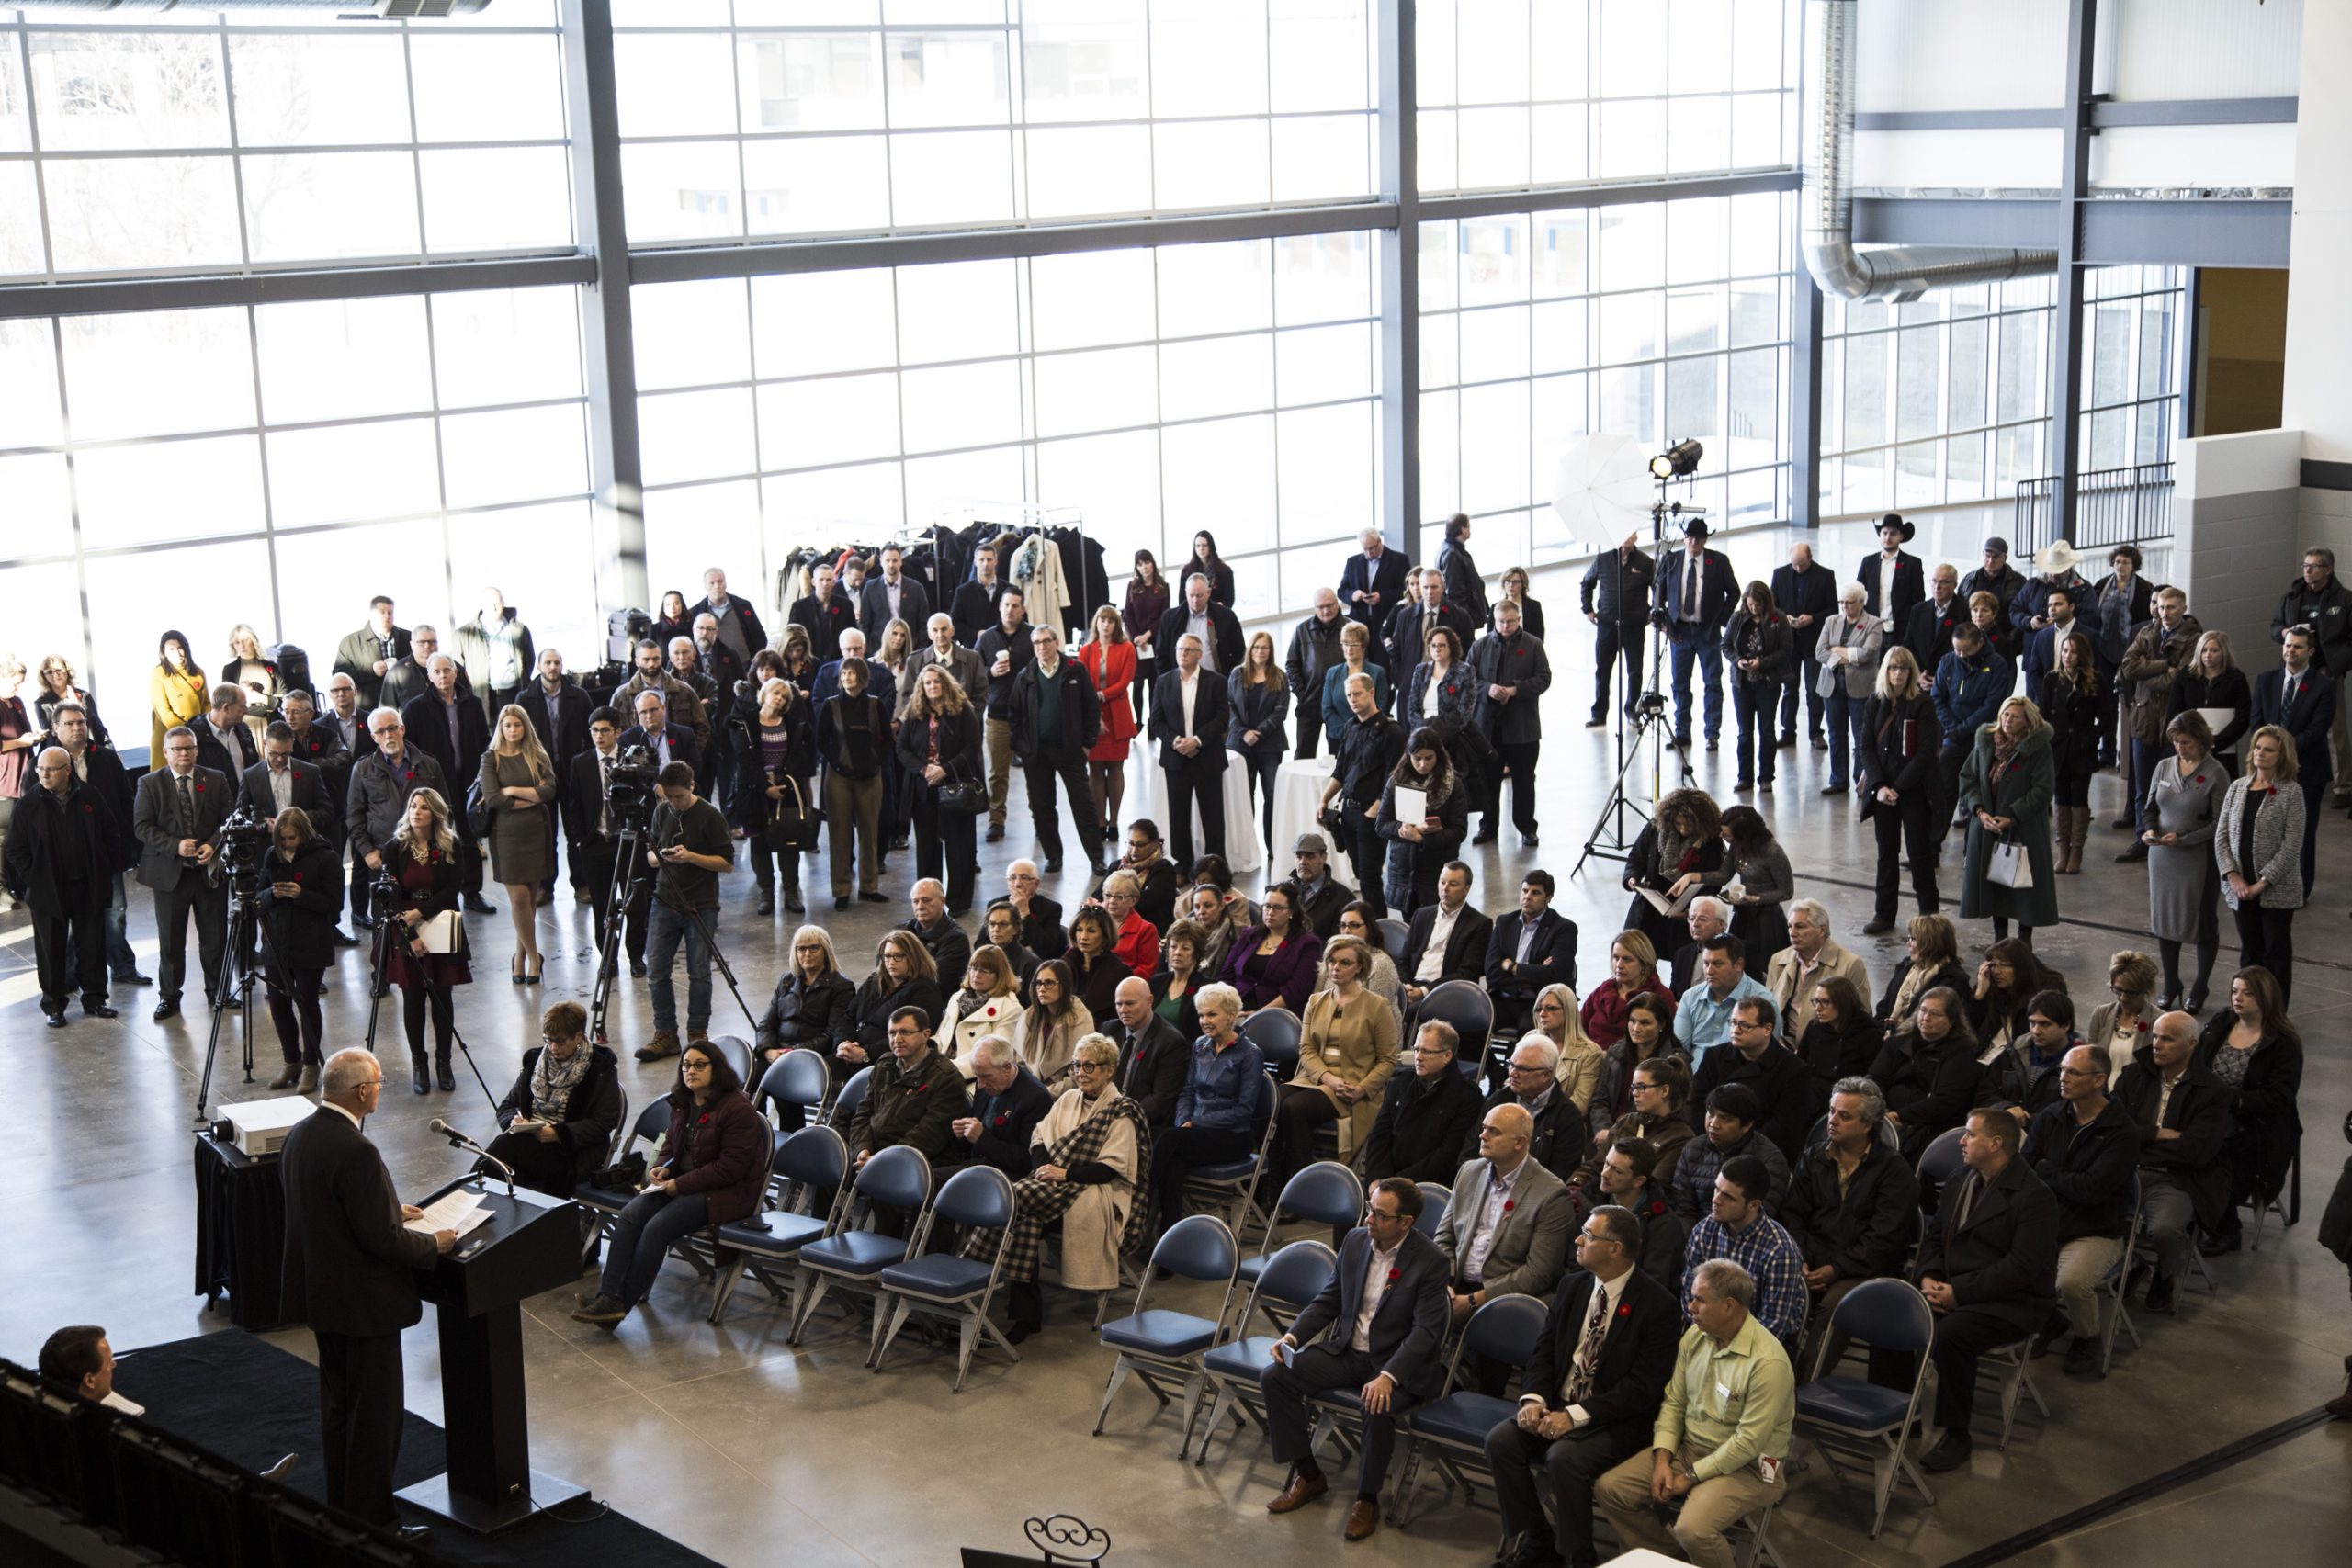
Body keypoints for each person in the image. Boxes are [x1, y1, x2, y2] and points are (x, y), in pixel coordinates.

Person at [277, 1049, 452, 1533]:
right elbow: (380, 1240)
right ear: (361, 1092)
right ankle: (377, 1522)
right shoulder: (356, 1149)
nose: (381, 1089)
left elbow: (331, 1212)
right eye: (378, 1083)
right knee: (374, 1419)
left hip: (323, 1298)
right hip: (364, 1306)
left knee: (339, 1411)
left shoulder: (302, 1134)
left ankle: (344, 1508)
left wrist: (391, 1208)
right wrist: (432, 1244)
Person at [1485, 1202, 1679, 1568]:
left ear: (1615, 1248)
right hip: (1558, 1405)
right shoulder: (1573, 1286)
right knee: (1502, 1441)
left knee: (1564, 1459)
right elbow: (1543, 1351)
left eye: (1588, 1236)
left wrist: (1575, 1416)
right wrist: (1532, 1399)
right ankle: (1538, 1541)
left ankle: (1577, 1557)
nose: (1577, 1239)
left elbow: (1643, 1387)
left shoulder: (1658, 1305)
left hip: (1614, 1420)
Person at [1260, 1176, 1449, 1544]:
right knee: (1276, 1377)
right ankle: (1309, 1474)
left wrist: (1390, 1375)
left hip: (1396, 1366)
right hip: (1348, 1353)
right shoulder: (1356, 1240)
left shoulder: (1431, 1261)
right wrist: (1292, 1336)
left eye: (1379, 1214)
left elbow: (1426, 1332)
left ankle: (1367, 1499)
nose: (1368, 1219)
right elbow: (1330, 1298)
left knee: (1376, 1403)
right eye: (1368, 1209)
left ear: (1405, 1223)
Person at [1593, 1259, 1794, 1568]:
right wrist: (1662, 1459)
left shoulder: (1768, 1363)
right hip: (1690, 1449)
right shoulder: (1695, 1337)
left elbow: (1748, 1443)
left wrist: (1689, 1477)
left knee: (1693, 1529)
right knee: (1612, 1490)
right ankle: (1671, 1561)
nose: (1690, 1306)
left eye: (1699, 1299)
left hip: (1747, 1467)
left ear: (1729, 1306)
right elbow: (1674, 1403)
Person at [1892, 1109, 2059, 1473]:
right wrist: (1928, 1277)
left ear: (1996, 1143)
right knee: (1895, 1310)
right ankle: (1900, 1411)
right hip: (1954, 1286)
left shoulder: (2034, 1197)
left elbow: (2021, 1269)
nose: (1961, 1141)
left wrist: (1959, 1293)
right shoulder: (1960, 1179)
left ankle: (1957, 1434)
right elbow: (1934, 1238)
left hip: (2012, 1301)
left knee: (1952, 1335)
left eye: (1969, 1134)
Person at [574, 1042, 764, 1329]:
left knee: (655, 1228)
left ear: (717, 1069)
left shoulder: (737, 1109)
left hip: (722, 1194)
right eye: (686, 1065)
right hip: (681, 1184)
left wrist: (679, 1184)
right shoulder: (683, 1101)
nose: (691, 1070)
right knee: (629, 1215)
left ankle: (618, 1307)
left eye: (700, 1065)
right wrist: (661, 1168)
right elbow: (670, 1144)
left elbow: (730, 1169)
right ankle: (608, 1297)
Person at [994, 1034, 1150, 1342]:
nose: (1080, 1072)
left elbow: (1111, 1168)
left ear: (1109, 1070)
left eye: (1089, 1066)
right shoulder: (1067, 1099)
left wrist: (1063, 1173)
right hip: (1051, 1187)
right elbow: (1039, 1137)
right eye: (1076, 1066)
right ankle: (1026, 1318)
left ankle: (975, 1262)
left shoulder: (1122, 1111)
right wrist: (1045, 1170)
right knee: (1026, 1221)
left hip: (1093, 1192)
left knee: (1011, 1198)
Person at [1779, 1078, 1918, 1376]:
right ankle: (1765, 1376)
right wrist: (1800, 1258)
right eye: (1831, 1111)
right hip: (1813, 1261)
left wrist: (1837, 1269)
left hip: (1866, 1271)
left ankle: (1800, 1388)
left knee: (1835, 1306)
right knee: (1774, 1284)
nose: (1832, 1120)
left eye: (1844, 1115)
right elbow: (1793, 1216)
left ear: (1868, 1124)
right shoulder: (1814, 1157)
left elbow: (1883, 1240)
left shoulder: (1894, 1172)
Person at [2020, 1044, 2137, 1377]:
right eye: (2062, 1071)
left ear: (2099, 1079)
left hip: (2095, 1228)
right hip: (2049, 1219)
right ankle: (2049, 1319)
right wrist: (2056, 1176)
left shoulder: (2121, 1132)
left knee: (2072, 1283)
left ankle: (2088, 1338)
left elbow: (2093, 1191)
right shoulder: (2052, 1115)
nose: (2063, 1078)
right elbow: (2025, 1167)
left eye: (2073, 1072)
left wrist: (2049, 1171)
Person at [1437, 1103, 1577, 1352]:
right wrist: (1444, 1281)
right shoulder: (1470, 1171)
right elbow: (1444, 1236)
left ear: (1520, 1143)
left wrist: (1475, 1300)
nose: (1482, 1136)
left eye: (1494, 1131)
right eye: (1483, 1128)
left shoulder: (1551, 1194)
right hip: (1453, 1285)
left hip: (1504, 1299)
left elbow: (1538, 1272)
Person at [1268, 935, 1397, 1179]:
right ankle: (1272, 1182)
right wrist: (1329, 1079)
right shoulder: (1316, 1001)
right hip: (1318, 1079)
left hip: (1353, 1085)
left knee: (1294, 1108)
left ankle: (1301, 1183)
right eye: (1332, 961)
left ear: (1359, 967)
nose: (1336, 968)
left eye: (1345, 962)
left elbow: (1388, 1060)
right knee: (1273, 1101)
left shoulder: (1376, 1006)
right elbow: (1306, 1049)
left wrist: (1361, 1089)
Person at [6, 746, 116, 1027]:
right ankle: (54, 1006)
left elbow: (110, 832)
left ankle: (95, 998)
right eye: (40, 769)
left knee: (91, 945)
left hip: (86, 885)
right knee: (50, 950)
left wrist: (103, 868)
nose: (44, 774)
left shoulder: (89, 795)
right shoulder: (28, 804)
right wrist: (34, 878)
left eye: (51, 769)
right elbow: (16, 849)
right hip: (48, 890)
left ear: (67, 770)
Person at [42, 702, 148, 986]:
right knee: (70, 916)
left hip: (105, 852)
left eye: (81, 722)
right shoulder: (45, 763)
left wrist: (127, 845)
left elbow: (126, 803)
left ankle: (123, 968)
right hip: (66, 857)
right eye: (69, 723)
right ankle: (68, 975)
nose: (77, 728)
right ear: (55, 728)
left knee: (115, 912)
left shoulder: (106, 758)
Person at [2199, 967, 2303, 1255]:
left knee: (2212, 1154)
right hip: (2211, 1115)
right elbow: (2196, 1065)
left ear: (2266, 997)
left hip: (2257, 1128)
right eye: (2235, 991)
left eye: (2248, 993)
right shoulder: (2221, 1022)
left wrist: (2231, 1099)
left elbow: (2278, 1099)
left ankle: (2226, 1227)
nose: (2238, 998)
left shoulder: (2283, 1043)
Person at [130, 726, 232, 1021]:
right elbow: (142, 826)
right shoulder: (149, 783)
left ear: (197, 750)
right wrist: (176, 845)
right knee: (171, 941)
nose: (184, 754)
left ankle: (218, 992)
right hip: (169, 875)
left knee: (215, 937)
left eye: (189, 748)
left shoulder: (215, 779)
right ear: (166, 753)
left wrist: (213, 845)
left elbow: (228, 818)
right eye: (177, 749)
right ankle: (170, 997)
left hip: (208, 872)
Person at [1149, 982, 1264, 1239]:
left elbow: (1244, 1110)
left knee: (1168, 1140)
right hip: (1195, 1133)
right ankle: (1169, 1240)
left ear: (1231, 1016)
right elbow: (1187, 1092)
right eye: (1201, 1015)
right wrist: (1183, 1121)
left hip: (1233, 1136)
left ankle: (1142, 1200)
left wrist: (1196, 1122)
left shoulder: (1250, 1054)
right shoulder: (1200, 1045)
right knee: (1173, 1164)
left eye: (1211, 1014)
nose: (1204, 1021)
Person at [636, 762, 734, 1062]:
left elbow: (727, 863)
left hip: (701, 903)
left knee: (699, 971)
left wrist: (691, 857)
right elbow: (650, 851)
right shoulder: (661, 811)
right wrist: (657, 858)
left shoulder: (710, 816)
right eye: (668, 797)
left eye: (678, 797)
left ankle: (697, 1034)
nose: (673, 803)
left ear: (691, 786)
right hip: (664, 900)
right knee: (656, 970)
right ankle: (665, 1033)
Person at [2130, 711, 2225, 1010]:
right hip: (2162, 858)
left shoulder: (2216, 773)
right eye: (2175, 742)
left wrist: (2183, 837)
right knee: (2165, 920)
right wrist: (2148, 830)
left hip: (2198, 858)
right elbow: (2148, 807)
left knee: (2201, 922)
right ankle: (2172, 983)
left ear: (2201, 740)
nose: (2180, 748)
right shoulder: (2163, 767)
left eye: (2186, 742)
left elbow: (2219, 822)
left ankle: (2200, 986)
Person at [485, 1001, 623, 1199]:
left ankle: (470, 1196)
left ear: (578, 1036)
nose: (553, 1047)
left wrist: (558, 1134)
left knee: (504, 1151)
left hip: (572, 1152)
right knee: (508, 1149)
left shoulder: (600, 1070)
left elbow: (604, 1123)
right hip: (528, 1143)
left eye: (560, 1041)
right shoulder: (536, 1062)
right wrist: (513, 1122)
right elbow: (507, 1106)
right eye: (548, 1040)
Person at [247, 805, 340, 1089]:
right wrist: (272, 894)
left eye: (291, 838)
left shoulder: (326, 857)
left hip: (310, 942)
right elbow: (258, 897)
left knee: (307, 1002)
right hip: (277, 942)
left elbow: (335, 906)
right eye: (282, 839)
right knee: (278, 1005)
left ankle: (311, 1065)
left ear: (304, 834)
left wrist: (302, 895)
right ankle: (291, 1061)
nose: (286, 844)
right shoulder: (271, 856)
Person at [1956, 694, 2058, 945]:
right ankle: (1999, 937)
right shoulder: (1986, 743)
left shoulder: (2038, 748)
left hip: (2024, 828)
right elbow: (1968, 778)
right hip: (1988, 825)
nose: (2008, 720)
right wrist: (1979, 811)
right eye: (2005, 714)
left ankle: (2024, 940)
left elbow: (2043, 790)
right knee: (1996, 884)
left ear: (2027, 721)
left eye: (2015, 716)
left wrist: (2012, 816)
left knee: (2024, 887)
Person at [2216, 724, 2304, 1004]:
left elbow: (2292, 846)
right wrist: (2234, 877)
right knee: (2250, 955)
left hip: (2276, 891)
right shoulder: (2237, 787)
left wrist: (2262, 883)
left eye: (2268, 749)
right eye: (2257, 747)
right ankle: (2248, 1009)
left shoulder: (2291, 792)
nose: (2260, 753)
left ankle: (2275, 1017)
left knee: (2275, 956)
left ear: (2281, 755)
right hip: (2241, 891)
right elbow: (2222, 837)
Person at [1858, 645, 1942, 935]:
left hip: (1913, 790)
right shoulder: (1874, 702)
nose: (1898, 673)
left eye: (1903, 669)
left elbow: (1927, 752)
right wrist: (1880, 786)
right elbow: (1866, 747)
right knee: (1886, 853)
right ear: (1885, 671)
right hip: (1883, 793)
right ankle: (1884, 914)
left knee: (1920, 854)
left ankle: (1929, 916)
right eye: (1893, 668)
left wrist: (1898, 787)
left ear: (1911, 672)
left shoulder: (1922, 704)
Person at [1680, 1157, 1806, 1353]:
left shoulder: (1780, 1251)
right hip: (1706, 1335)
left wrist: (1727, 1349)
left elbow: (1772, 1326)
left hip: (1756, 1350)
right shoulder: (1704, 1231)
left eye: (1728, 1197)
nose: (1715, 1200)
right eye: (1716, 1189)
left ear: (1753, 1205)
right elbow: (1690, 1297)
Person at [1009, 624, 1103, 874]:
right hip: (1037, 754)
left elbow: (1091, 708)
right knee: (1042, 807)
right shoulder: (1025, 676)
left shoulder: (1075, 670)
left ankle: (1096, 857)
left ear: (1056, 642)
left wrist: (1086, 744)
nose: (1042, 647)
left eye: (1046, 641)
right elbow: (1015, 715)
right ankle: (1053, 856)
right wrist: (1022, 747)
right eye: (1037, 643)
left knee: (1083, 804)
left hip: (1070, 751)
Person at [2116, 587, 2202, 855]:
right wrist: (2165, 665)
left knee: (2173, 786)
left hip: (2173, 722)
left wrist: (2148, 669)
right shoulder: (2147, 632)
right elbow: (2129, 668)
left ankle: (2170, 838)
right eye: (2162, 607)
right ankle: (2144, 839)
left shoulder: (2193, 638)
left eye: (2172, 608)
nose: (2165, 613)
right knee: (2144, 787)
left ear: (2183, 608)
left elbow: (2180, 679)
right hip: (2144, 719)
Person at [472, 704, 554, 981]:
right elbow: (494, 799)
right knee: (519, 898)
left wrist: (514, 791)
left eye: (517, 725)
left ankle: (519, 956)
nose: (512, 730)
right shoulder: (490, 758)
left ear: (525, 726)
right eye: (507, 725)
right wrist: (531, 797)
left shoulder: (537, 754)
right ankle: (534, 957)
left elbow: (550, 791)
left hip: (537, 832)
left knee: (529, 901)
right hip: (506, 835)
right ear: (501, 728)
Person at [2251, 626, 2332, 897]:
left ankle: (2300, 890)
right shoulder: (2265, 681)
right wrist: (2269, 754)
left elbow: (2317, 731)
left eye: (2297, 647)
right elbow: (2256, 725)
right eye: (2287, 645)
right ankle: (2265, 882)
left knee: (2302, 833)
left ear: (2310, 651)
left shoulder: (2323, 686)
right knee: (2266, 829)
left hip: (2308, 771)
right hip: (2267, 772)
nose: (2290, 651)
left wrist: (2280, 750)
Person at [2268, 547, 2352, 792]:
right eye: (2305, 566)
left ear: (2328, 569)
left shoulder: (2344, 599)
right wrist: (2284, 632)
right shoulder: (2292, 597)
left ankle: (2343, 786)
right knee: (2288, 723)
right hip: (2292, 671)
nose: (2307, 571)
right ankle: (2285, 775)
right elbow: (2274, 626)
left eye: (2313, 566)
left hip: (2325, 671)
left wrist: (2337, 663)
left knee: (2334, 730)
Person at [1361, 1021, 1484, 1185]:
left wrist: (1396, 1184)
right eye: (1417, 1049)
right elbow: (1379, 1136)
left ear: (1447, 1056)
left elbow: (1447, 1155)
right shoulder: (1400, 1083)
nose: (1418, 1057)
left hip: (1426, 1185)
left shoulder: (1467, 1097)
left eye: (1427, 1052)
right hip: (1383, 1180)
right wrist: (1376, 1179)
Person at [1690, 998, 1812, 1165]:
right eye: (1732, 1023)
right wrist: (1710, 1140)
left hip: (1760, 1156)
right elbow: (1695, 1104)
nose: (1735, 1030)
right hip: (1709, 1148)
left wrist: (1736, 1144)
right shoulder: (1714, 1057)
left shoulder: (1793, 1069)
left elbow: (1784, 1127)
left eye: (1745, 1025)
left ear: (1767, 1029)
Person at [1469, 597, 1551, 845]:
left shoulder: (1533, 645)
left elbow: (1544, 678)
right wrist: (1488, 689)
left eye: (1511, 622)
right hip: (1488, 728)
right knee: (1488, 780)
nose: (1506, 626)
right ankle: (1488, 827)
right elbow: (1468, 679)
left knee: (1524, 780)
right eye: (1501, 622)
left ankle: (1527, 827)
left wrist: (1515, 690)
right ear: (1494, 621)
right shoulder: (1480, 646)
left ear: (1519, 620)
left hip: (1522, 727)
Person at [1322, 672, 1404, 915]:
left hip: (1372, 813)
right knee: (1360, 873)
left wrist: (1373, 812)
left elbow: (1395, 778)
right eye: (1348, 695)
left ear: (1371, 692)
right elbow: (1341, 769)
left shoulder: (1392, 731)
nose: (1353, 699)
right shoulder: (1350, 727)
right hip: (1349, 811)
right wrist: (1324, 798)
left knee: (1369, 879)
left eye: (1357, 693)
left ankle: (1378, 931)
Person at [1869, 986, 1981, 1160]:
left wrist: (1899, 1116)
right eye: (1923, 1011)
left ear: (1952, 1021)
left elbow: (1945, 1102)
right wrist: (1879, 1109)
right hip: (1884, 1116)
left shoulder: (1961, 1054)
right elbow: (1875, 1079)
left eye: (1935, 1014)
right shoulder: (1897, 1043)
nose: (1926, 1018)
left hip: (1928, 1127)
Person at [815, 655, 889, 910]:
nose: (847, 677)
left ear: (862, 676)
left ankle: (869, 887)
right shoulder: (830, 704)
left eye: (851, 673)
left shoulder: (875, 704)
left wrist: (876, 761)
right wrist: (836, 763)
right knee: (839, 834)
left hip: (870, 776)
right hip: (839, 777)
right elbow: (821, 740)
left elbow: (887, 738)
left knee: (870, 832)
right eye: (843, 673)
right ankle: (841, 890)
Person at [1151, 631, 1230, 868]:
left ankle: (1214, 866)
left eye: (1188, 650)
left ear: (1199, 654)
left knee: (1213, 816)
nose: (1182, 654)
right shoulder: (1163, 682)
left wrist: (1196, 740)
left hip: (1207, 757)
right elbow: (1155, 721)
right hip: (1176, 759)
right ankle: (1183, 865)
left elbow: (1222, 719)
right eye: (1179, 649)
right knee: (1178, 816)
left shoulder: (1216, 682)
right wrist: (1177, 741)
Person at [1659, 517, 1738, 750]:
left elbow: (1733, 592)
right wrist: (1665, 624)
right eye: (1690, 537)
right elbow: (1659, 593)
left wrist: (1720, 621)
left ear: (1705, 540)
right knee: (1680, 683)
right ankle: (1682, 731)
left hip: (1707, 632)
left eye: (1699, 538)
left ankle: (1712, 733)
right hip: (1679, 632)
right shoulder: (1672, 560)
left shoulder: (1718, 561)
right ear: (1685, 538)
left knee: (1712, 682)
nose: (1693, 542)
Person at [2034, 629, 2108, 874]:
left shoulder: (2095, 680)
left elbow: (2108, 717)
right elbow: (2043, 715)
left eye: (2073, 652)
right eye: (2065, 650)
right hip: (2057, 747)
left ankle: (2077, 850)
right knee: (2061, 798)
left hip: (2082, 748)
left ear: (2083, 655)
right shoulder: (2052, 680)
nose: (2068, 656)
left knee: (2079, 798)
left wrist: (2091, 738)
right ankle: (2062, 850)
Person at [1619, 787, 1724, 956]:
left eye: (1689, 825)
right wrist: (1632, 879)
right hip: (1649, 908)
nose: (1683, 829)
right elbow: (1636, 859)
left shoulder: (1710, 840)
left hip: (1684, 914)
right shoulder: (1655, 829)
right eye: (1678, 824)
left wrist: (1692, 910)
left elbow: (1714, 880)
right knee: (1638, 957)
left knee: (1682, 962)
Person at [1470, 1035, 1587, 1181]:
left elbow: (1559, 1177)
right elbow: (1471, 1152)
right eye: (1511, 1064)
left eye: (1522, 1069)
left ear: (1546, 1075)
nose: (1513, 1073)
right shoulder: (1497, 1102)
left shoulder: (1567, 1117)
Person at [1667, 1083, 1791, 1221]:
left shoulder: (1769, 1161)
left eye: (1724, 1118)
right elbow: (1683, 1209)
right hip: (1697, 1235)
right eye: (1711, 1114)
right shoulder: (1693, 1148)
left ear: (1747, 1125)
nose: (1713, 1124)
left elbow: (1758, 1217)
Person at [1932, 622, 2011, 837]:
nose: (1960, 654)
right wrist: (1953, 728)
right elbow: (1938, 698)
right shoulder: (1948, 662)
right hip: (1953, 738)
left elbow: (1992, 705)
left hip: (1983, 738)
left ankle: (1975, 851)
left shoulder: (1997, 664)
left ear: (1979, 643)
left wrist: (1964, 729)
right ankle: (1931, 849)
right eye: (1957, 649)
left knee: (1981, 796)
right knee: (1943, 793)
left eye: (1965, 650)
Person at [1377, 728, 1465, 918]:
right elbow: (1382, 824)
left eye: (1429, 758)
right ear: (1408, 756)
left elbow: (1459, 831)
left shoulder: (1453, 784)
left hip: (1437, 869)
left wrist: (1422, 839)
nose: (1423, 764)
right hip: (1404, 871)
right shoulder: (1396, 781)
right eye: (1417, 758)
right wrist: (1404, 829)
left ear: (1438, 756)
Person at [1478, 869, 1577, 1037]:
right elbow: (1492, 972)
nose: (1528, 897)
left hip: (1538, 1002)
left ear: (1548, 898)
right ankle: (1491, 1065)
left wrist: (1513, 967)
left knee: (1530, 1035)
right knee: (1473, 1025)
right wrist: (1535, 971)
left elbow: (1555, 974)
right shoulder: (1504, 923)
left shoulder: (1563, 929)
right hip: (1503, 997)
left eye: (1536, 893)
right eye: (1525, 890)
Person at [1583, 1044, 1695, 1191]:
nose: (1635, 1093)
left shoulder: (1681, 1137)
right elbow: (1596, 1165)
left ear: (1664, 1090)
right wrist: (1574, 1187)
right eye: (1633, 1088)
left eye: (1641, 1087)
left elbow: (1654, 1185)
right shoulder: (1626, 1121)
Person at [754, 923, 858, 1075]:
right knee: (746, 1078)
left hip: (811, 1056)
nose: (807, 954)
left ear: (825, 951)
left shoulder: (842, 986)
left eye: (814, 948)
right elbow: (766, 1024)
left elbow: (831, 1035)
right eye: (801, 949)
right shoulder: (786, 979)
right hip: (777, 1053)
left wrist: (792, 1052)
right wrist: (767, 1050)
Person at [1762, 899, 1866, 1045]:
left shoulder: (1850, 964)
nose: (1792, 933)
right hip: (1781, 1047)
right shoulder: (1778, 960)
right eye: (1790, 926)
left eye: (1800, 926)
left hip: (1825, 1047)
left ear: (1822, 930)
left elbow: (1862, 1019)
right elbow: (1767, 1008)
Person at [1813, 582, 1883, 795]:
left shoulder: (1874, 623)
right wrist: (1847, 657)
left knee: (1861, 735)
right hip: (1833, 686)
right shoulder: (1831, 621)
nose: (1844, 606)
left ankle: (1862, 782)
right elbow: (1819, 652)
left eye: (1849, 602)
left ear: (1862, 603)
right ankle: (1838, 780)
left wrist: (1836, 651)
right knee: (1836, 734)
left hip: (1861, 687)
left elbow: (1867, 653)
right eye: (1841, 602)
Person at [1722, 581, 1792, 793]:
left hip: (1767, 684)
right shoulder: (1737, 618)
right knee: (1744, 732)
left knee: (1767, 732)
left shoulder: (1778, 619)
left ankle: (1766, 778)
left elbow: (1786, 650)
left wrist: (1763, 662)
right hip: (1742, 684)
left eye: (1757, 605)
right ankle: (1745, 777)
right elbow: (1725, 645)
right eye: (1750, 604)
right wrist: (1738, 660)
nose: (1753, 608)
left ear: (1765, 602)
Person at [1396, 859, 1490, 1020]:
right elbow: (1404, 958)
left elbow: (1467, 973)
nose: (1445, 889)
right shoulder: (1421, 915)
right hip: (1412, 986)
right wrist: (1406, 987)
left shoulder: (1479, 924)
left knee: (1399, 1014)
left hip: (1446, 990)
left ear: (1467, 889)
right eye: (1442, 882)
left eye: (1453, 884)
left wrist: (1424, 991)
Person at [1581, 530, 1657, 725]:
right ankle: (1599, 713)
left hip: (1634, 626)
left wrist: (1650, 612)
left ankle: (1632, 711)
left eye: (1631, 534)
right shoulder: (1603, 560)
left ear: (1636, 538)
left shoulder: (1645, 562)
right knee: (1603, 670)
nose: (1626, 537)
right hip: (1607, 625)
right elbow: (1586, 583)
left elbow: (1658, 589)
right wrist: (1588, 609)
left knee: (1634, 670)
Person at [1382, 568, 1475, 719]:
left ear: (1443, 588)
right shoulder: (1405, 616)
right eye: (1425, 587)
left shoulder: (1459, 616)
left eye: (1434, 587)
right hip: (1411, 686)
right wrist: (1401, 680)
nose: (1429, 592)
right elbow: (1396, 651)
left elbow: (1468, 652)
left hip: (1447, 686)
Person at [1770, 542, 1838, 748]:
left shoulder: (1825, 576)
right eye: (1795, 565)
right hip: (1788, 642)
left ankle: (1816, 733)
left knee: (1814, 689)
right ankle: (1788, 732)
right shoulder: (1780, 574)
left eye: (1802, 564)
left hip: (1813, 642)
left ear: (1810, 558)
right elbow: (1772, 606)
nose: (1798, 568)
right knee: (1789, 689)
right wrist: (1785, 618)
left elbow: (1833, 609)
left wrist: (1812, 618)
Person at [1709, 806, 1792, 971]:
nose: (1722, 836)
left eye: (1727, 835)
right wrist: (1693, 877)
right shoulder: (1738, 845)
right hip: (1743, 916)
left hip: (1767, 923)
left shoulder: (1773, 852)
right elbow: (1724, 875)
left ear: (1743, 835)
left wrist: (1755, 899)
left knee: (1765, 968)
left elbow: (1786, 891)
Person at [1222, 882, 1324, 1016]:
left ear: (1291, 912)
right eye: (1267, 906)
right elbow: (1226, 974)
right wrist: (1230, 1008)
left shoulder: (1307, 944)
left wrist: (1259, 1014)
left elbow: (1297, 990)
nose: (1270, 912)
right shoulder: (1249, 935)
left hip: (1277, 1013)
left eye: (1278, 908)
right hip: (1236, 1007)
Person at [1228, 629, 1290, 851]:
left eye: (1265, 647)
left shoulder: (1279, 676)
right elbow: (1229, 707)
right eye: (1256, 647)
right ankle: (1246, 846)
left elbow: (1281, 711)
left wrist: (1259, 732)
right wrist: (1244, 732)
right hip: (1240, 743)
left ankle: (1272, 846)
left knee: (1271, 793)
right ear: (1250, 649)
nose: (1260, 651)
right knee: (1244, 795)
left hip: (1270, 745)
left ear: (1271, 651)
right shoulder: (1237, 674)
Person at [1670, 934, 1772, 1059]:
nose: (1709, 971)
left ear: (1738, 965)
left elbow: (1766, 1055)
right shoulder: (1690, 997)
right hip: (1693, 1073)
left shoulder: (1764, 1001)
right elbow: (1678, 1050)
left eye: (1717, 964)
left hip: (1740, 1074)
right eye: (1706, 963)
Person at [1110, 975, 1191, 1132]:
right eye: (1118, 1004)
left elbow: (1160, 1101)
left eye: (1130, 1003)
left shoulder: (1171, 1042)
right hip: (1107, 1116)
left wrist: (1120, 1118)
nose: (1123, 1010)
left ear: (1149, 1001)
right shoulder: (1109, 1030)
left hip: (1144, 1125)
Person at [1792, 974, 1883, 1110]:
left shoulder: (1867, 1032)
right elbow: (1801, 1064)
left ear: (1843, 1003)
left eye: (1825, 1002)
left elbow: (1875, 1077)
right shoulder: (1815, 1027)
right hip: (1812, 1092)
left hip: (1847, 1099)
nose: (1818, 1008)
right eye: (1816, 1001)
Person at [936, 943, 1026, 1070]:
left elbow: (994, 1056)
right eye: (973, 968)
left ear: (999, 975)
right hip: (943, 1067)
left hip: (975, 1077)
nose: (976, 975)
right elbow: (941, 1037)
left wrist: (945, 1069)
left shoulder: (1010, 1009)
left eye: (984, 971)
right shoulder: (958, 996)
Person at [1581, 931, 1677, 1049]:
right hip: (1592, 1059)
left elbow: (1666, 1041)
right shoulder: (1603, 991)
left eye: (1627, 959)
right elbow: (1579, 1029)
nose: (1619, 965)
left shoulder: (1660, 996)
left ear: (1643, 964)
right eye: (1616, 958)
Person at [1285, 589, 1349, 760]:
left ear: (1337, 604)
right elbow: (1292, 664)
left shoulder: (1350, 628)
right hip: (1310, 702)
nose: (1325, 611)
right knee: (1304, 754)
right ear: (1314, 608)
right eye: (1320, 607)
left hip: (1340, 704)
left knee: (1339, 755)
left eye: (1329, 605)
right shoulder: (1302, 630)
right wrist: (1301, 692)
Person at [1016, 959, 1092, 1086]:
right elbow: (1019, 1062)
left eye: (1049, 983)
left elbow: (1079, 1073)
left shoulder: (1081, 1018)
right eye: (1038, 983)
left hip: (1065, 1094)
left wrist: (1046, 1092)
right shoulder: (1029, 1016)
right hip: (1031, 1090)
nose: (1041, 989)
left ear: (1064, 985)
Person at [1157, 570, 1247, 676]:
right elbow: (1161, 655)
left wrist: (1231, 679)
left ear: (1208, 593)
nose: (1195, 600)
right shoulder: (1170, 618)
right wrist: (1169, 682)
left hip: (1218, 682)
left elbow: (1239, 651)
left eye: (1199, 596)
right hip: (1181, 683)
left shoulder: (1226, 616)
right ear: (1185, 593)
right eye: (1191, 595)